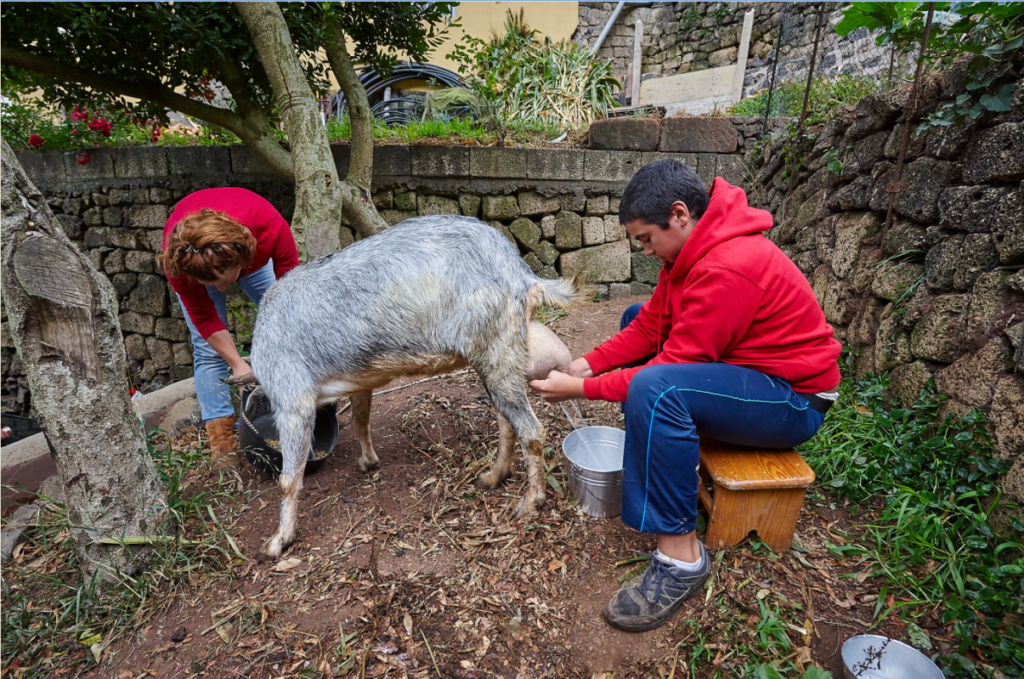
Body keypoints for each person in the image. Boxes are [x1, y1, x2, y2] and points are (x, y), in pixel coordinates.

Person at [529, 160, 841, 633]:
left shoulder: (729, 266)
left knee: (657, 389)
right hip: (748, 371)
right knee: (637, 317)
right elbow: (652, 323)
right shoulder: (690, 254)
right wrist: (586, 364)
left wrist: (581, 389)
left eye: (647, 240)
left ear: (679, 214)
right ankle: (668, 452)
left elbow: (670, 369)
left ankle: (681, 561)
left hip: (792, 399)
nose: (648, 252)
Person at [159, 188, 300, 470]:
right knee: (206, 350)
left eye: (224, 281)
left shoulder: (270, 228)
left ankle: (308, 406)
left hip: (254, 250)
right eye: (212, 285)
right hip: (205, 262)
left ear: (240, 262)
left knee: (295, 330)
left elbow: (292, 298)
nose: (223, 289)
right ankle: (221, 443)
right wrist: (237, 365)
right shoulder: (179, 263)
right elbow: (205, 318)